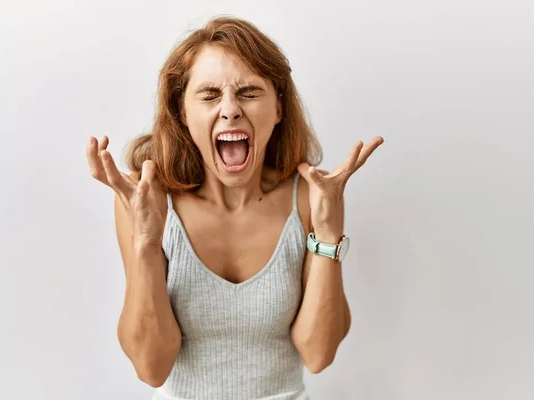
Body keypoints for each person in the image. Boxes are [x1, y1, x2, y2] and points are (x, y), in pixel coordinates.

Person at [86, 15, 383, 400]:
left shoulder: (312, 195)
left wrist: (327, 235)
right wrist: (146, 243)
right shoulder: (147, 199)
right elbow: (150, 367)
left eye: (248, 92)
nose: (230, 110)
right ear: (182, 113)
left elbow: (318, 354)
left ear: (278, 107)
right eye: (209, 95)